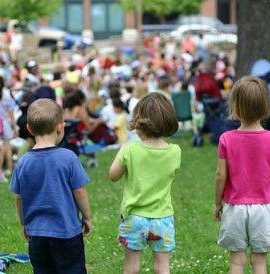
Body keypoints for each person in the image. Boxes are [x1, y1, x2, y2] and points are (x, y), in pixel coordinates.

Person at [10, 99, 92, 274]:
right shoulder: (69, 157)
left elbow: (19, 197)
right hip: (67, 233)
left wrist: (24, 223)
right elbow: (79, 190)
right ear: (60, 127)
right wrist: (87, 218)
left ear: (30, 129)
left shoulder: (23, 162)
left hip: (37, 234)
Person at [214, 76, 270, 274]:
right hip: (263, 208)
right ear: (265, 105)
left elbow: (220, 176)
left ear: (235, 105)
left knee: (237, 262)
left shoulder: (226, 139)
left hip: (235, 207)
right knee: (259, 262)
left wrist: (218, 203)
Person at [109, 93, 181, 274]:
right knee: (163, 267)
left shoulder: (130, 149)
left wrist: (123, 150)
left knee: (131, 267)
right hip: (162, 218)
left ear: (139, 121)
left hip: (134, 217)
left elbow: (113, 175)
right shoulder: (174, 151)